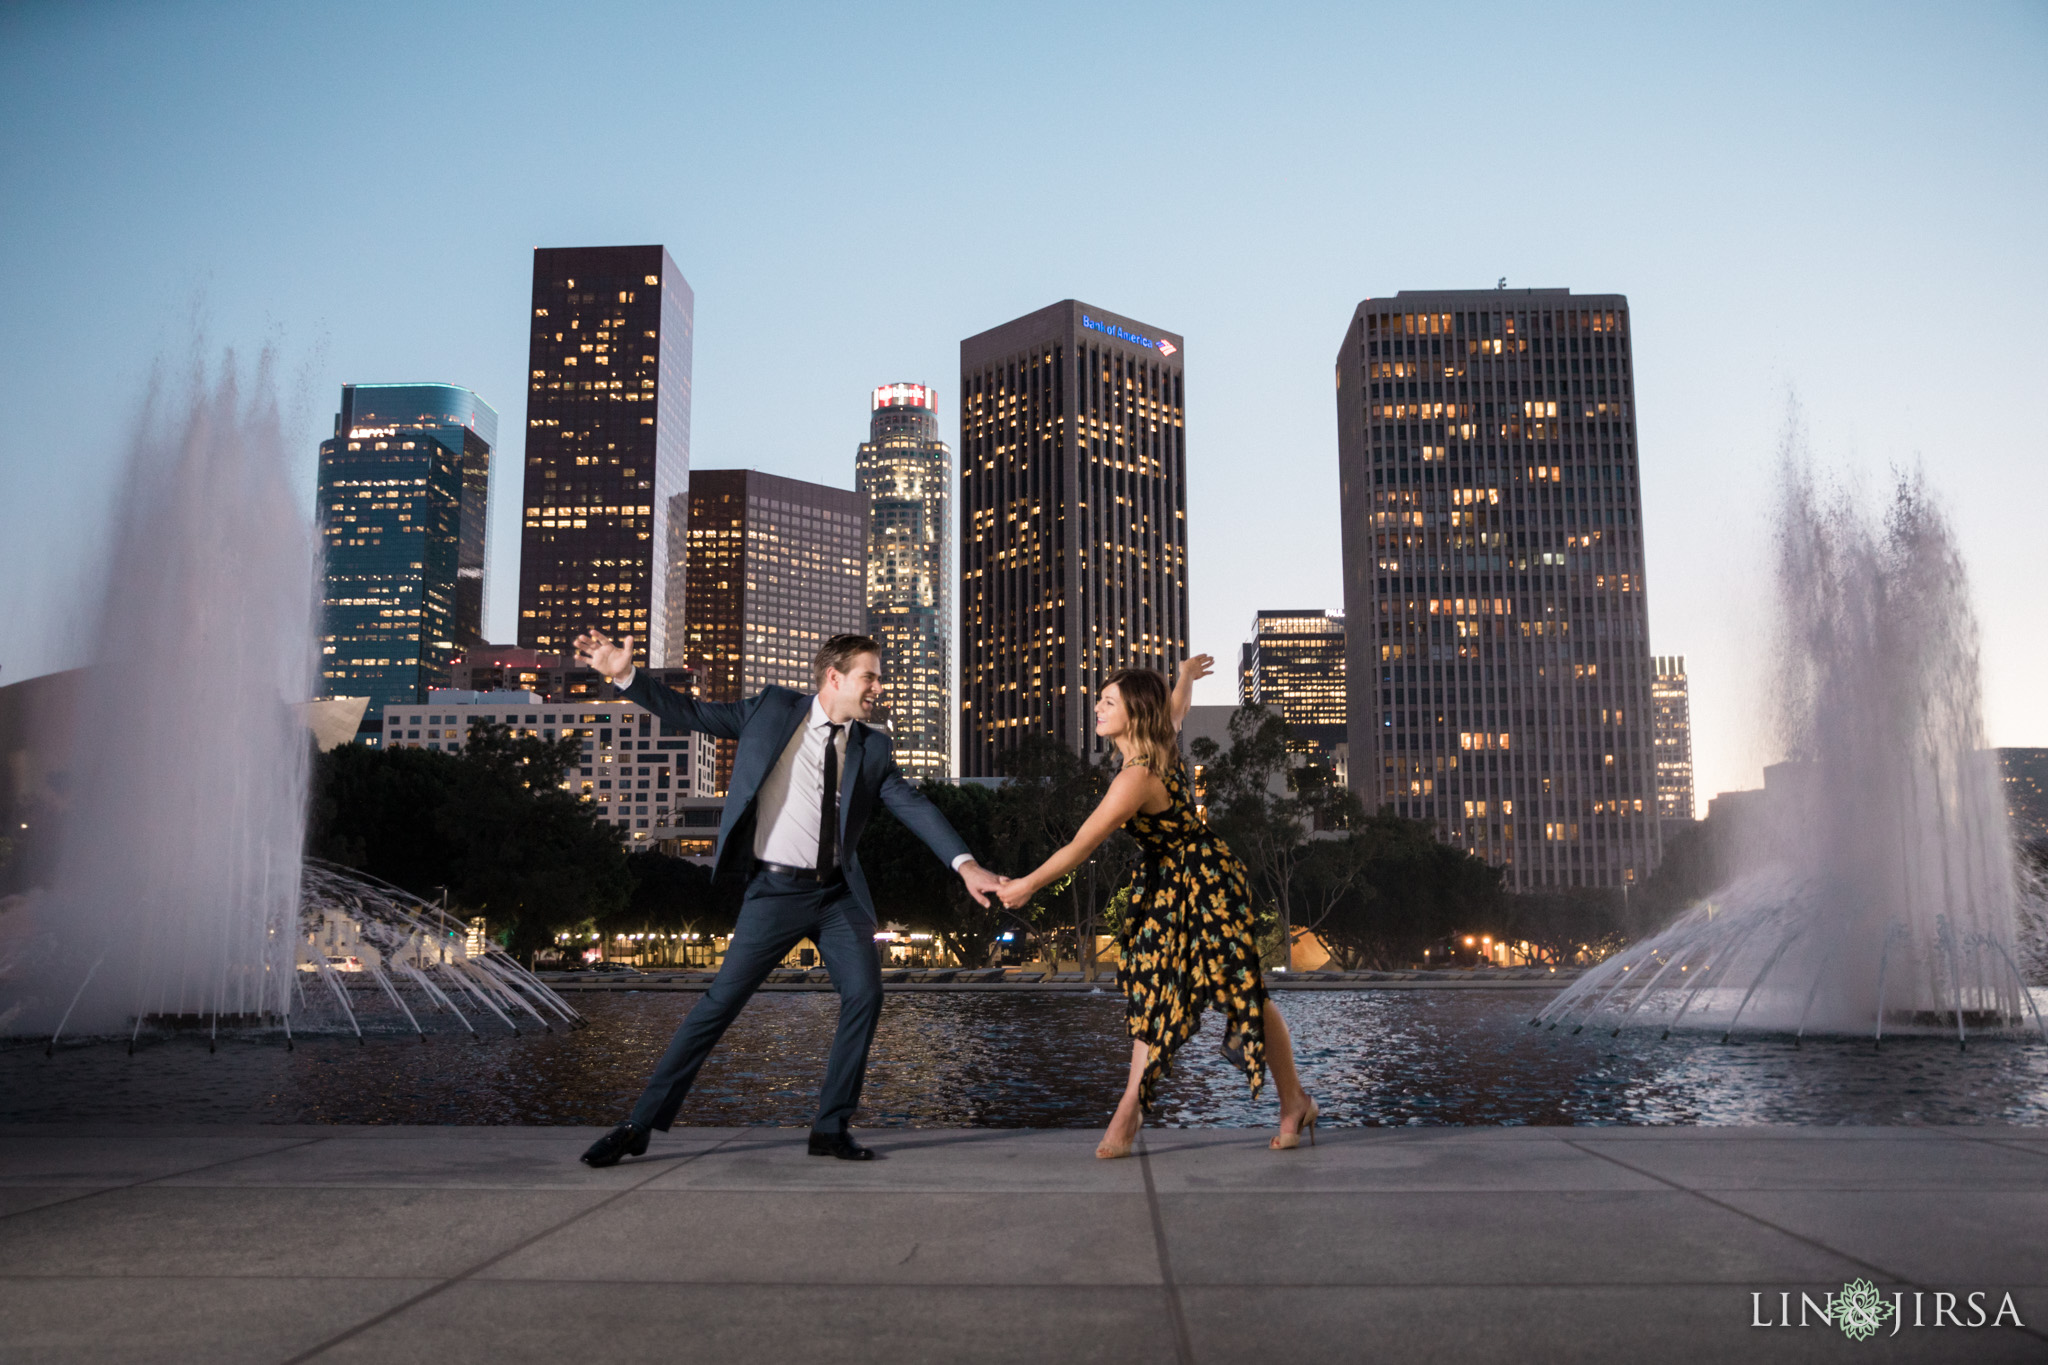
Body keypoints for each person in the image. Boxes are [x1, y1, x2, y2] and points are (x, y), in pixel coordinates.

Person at [575, 630, 1007, 1166]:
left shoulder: (873, 746)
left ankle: (830, 1127)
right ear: (835, 677)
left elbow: (912, 805)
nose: (878, 686)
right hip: (773, 891)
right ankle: (639, 1123)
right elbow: (691, 714)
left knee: (865, 997)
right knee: (718, 1007)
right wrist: (625, 676)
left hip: (838, 896)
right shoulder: (772, 710)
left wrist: (965, 865)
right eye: (869, 676)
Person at [997, 656, 1318, 1158]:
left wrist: (1028, 885)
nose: (1097, 707)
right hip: (1166, 883)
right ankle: (1132, 1107)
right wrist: (1184, 677)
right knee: (1152, 989)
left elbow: (1082, 846)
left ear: (1133, 714)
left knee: (1241, 990)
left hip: (1205, 881)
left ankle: (1291, 1100)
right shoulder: (1158, 741)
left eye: (1108, 702)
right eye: (1099, 699)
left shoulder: (1137, 778)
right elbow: (1174, 711)